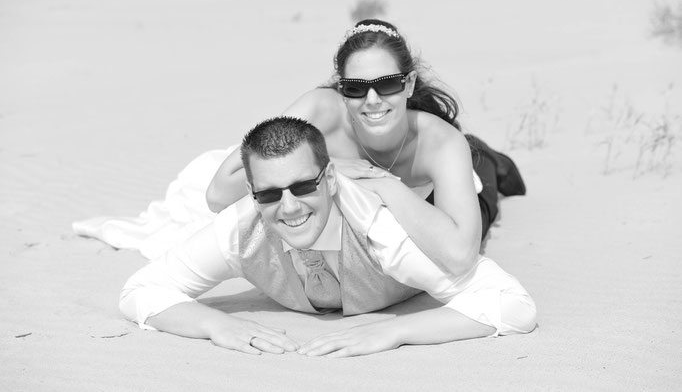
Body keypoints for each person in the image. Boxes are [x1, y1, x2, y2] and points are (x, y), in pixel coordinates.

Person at [120, 117, 536, 357]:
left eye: (304, 186)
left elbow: (514, 306)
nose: (290, 208)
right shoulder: (241, 227)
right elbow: (140, 290)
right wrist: (212, 324)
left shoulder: (381, 233)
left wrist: (396, 331)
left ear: (331, 179)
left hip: (425, 211)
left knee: (482, 196)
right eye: (268, 193)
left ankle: (486, 157)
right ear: (251, 194)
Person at [206, 19, 525, 276]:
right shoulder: (320, 112)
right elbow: (218, 194)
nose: (372, 100)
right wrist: (330, 168)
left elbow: (459, 257)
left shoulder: (441, 143)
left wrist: (385, 186)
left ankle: (492, 159)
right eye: (356, 88)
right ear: (341, 90)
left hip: (437, 198)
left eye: (387, 84)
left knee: (483, 182)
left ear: (409, 84)